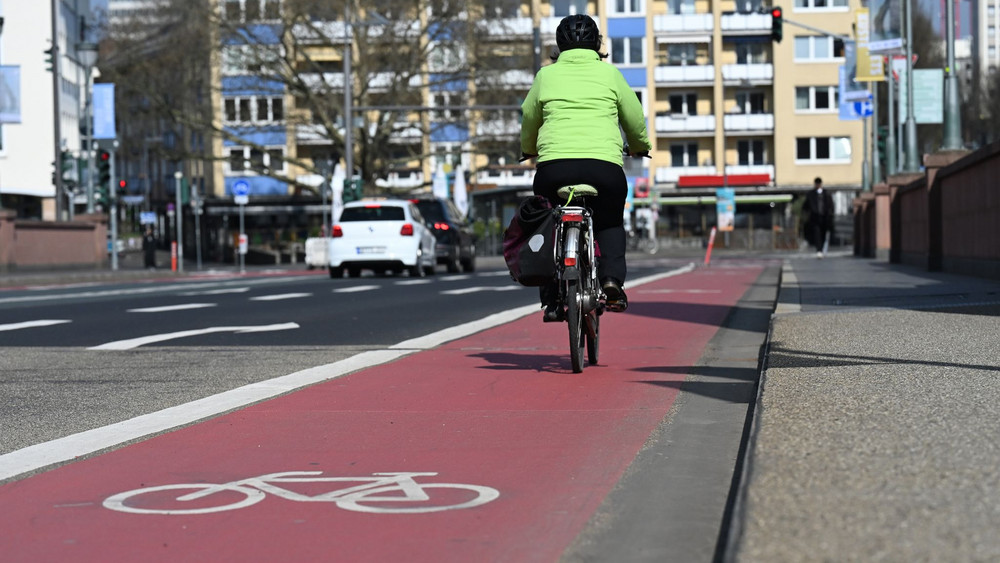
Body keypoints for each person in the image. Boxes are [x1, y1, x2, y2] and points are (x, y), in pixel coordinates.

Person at [520, 14, 651, 321]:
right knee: (608, 222)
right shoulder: (610, 75)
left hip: (553, 169)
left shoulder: (545, 77)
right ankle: (610, 280)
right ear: (597, 43)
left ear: (559, 46)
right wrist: (640, 146)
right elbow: (633, 117)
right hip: (603, 168)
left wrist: (528, 148)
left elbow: (529, 117)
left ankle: (552, 294)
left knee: (548, 220)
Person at [803, 177, 835, 258]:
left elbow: (830, 205)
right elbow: (806, 206)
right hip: (815, 218)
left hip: (825, 218)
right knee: (817, 234)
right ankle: (819, 250)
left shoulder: (826, 193)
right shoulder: (811, 194)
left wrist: (830, 215)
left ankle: (821, 249)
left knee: (823, 234)